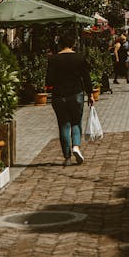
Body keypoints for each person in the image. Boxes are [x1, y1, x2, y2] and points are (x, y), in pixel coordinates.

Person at [46, 31, 93, 167]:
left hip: (59, 96)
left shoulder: (53, 59)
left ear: (60, 44)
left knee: (63, 124)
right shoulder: (80, 58)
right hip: (76, 93)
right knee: (76, 122)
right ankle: (76, 147)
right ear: (73, 44)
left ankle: (67, 157)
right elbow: (87, 78)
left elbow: (48, 80)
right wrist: (90, 94)